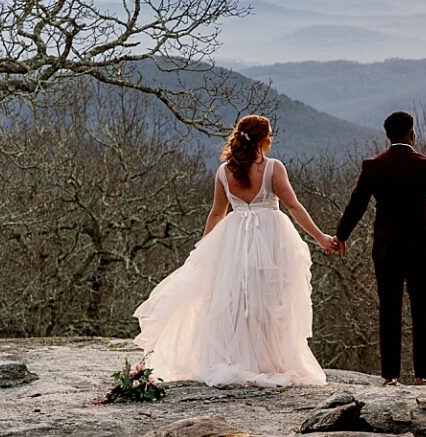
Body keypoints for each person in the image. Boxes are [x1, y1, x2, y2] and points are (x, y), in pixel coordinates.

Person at [134, 113, 334, 386]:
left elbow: (217, 214)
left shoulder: (224, 171)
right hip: (271, 239)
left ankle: (242, 358)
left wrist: (204, 250)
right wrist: (321, 237)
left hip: (235, 239)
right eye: (270, 134)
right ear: (263, 140)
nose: (272, 139)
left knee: (238, 301)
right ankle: (267, 361)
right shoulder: (273, 168)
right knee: (269, 300)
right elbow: (294, 207)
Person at [334, 111, 426, 383]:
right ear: (413, 132)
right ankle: (424, 375)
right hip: (421, 247)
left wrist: (341, 236)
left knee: (389, 309)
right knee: (423, 307)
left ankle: (390, 376)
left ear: (387, 136)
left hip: (386, 248)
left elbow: (356, 205)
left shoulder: (373, 166)